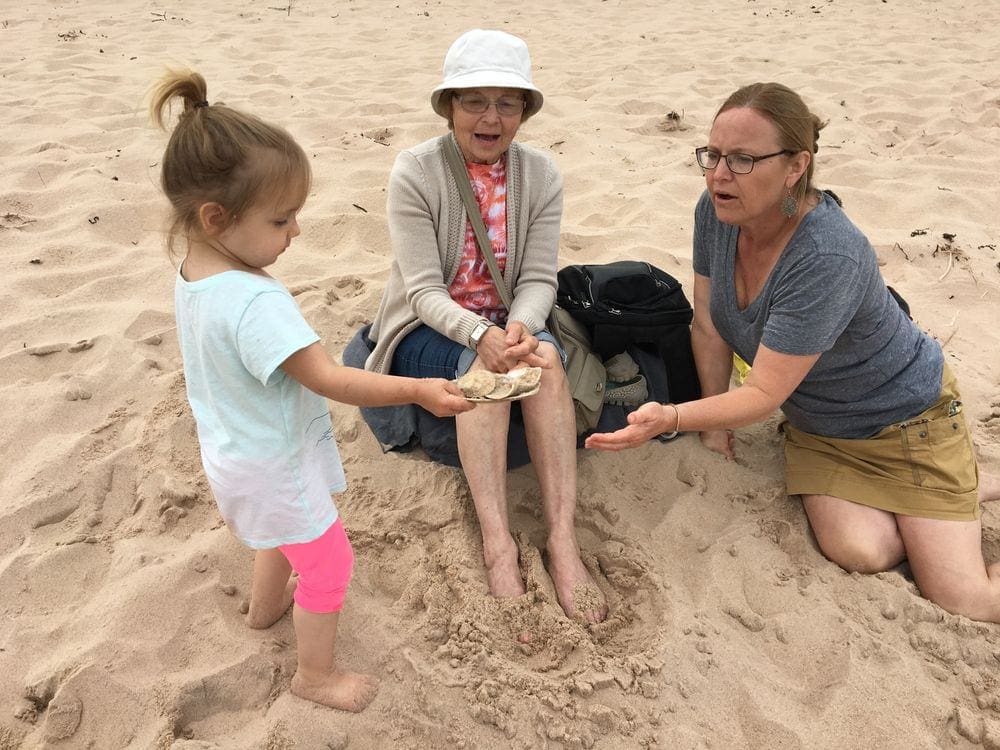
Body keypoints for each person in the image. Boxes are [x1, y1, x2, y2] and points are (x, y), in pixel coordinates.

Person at [587, 82, 1000, 622]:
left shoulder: (826, 252)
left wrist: (676, 416)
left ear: (795, 166)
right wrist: (715, 425)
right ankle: (963, 491)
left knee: (966, 600)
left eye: (741, 159)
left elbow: (762, 393)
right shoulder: (716, 212)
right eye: (711, 156)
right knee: (861, 551)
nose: (717, 175)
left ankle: (952, 484)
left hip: (905, 422)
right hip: (822, 427)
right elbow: (709, 324)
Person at [149, 68, 473, 711]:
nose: (294, 232)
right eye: (282, 219)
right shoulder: (254, 302)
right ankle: (313, 676)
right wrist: (421, 390)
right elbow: (331, 378)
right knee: (327, 566)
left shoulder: (195, 274)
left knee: (277, 536)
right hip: (275, 460)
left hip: (233, 453)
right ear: (216, 217)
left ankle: (262, 611)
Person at [352, 29, 607, 624]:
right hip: (428, 326)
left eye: (507, 103)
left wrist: (519, 327)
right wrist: (481, 337)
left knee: (542, 367)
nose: (490, 117)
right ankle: (498, 542)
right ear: (448, 107)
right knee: (487, 378)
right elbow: (421, 291)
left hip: (507, 322)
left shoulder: (541, 175)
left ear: (524, 111)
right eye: (474, 101)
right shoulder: (414, 170)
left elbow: (540, 278)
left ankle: (562, 539)